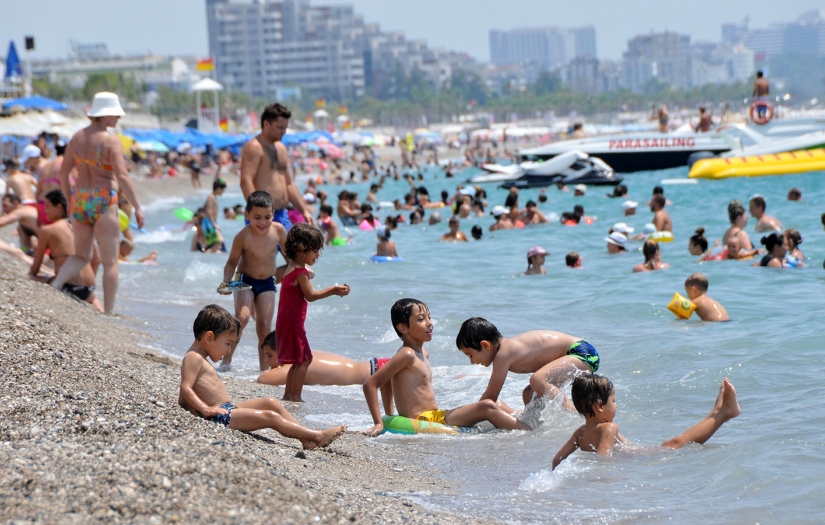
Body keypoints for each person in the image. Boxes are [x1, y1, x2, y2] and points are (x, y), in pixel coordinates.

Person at [179, 305, 346, 449]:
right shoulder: (193, 357)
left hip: (226, 409)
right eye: (228, 344)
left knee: (270, 402)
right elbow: (186, 388)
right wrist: (205, 409)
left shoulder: (198, 358)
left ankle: (305, 439)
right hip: (219, 417)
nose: (228, 351)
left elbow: (184, 398)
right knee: (270, 417)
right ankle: (316, 436)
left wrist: (192, 408)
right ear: (209, 337)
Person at [362, 300, 532, 436]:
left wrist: (391, 415)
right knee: (487, 406)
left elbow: (387, 381)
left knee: (497, 403)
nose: (429, 323)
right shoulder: (407, 354)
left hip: (436, 414)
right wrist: (381, 421)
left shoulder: (423, 353)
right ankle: (529, 433)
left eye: (429, 317)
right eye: (421, 319)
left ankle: (524, 419)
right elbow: (372, 383)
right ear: (403, 328)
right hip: (424, 418)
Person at [51, 92, 145, 315]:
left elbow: (64, 173)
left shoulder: (76, 138)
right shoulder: (111, 140)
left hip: (80, 198)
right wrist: (138, 207)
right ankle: (109, 312)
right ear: (104, 116)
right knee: (110, 261)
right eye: (115, 114)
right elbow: (122, 176)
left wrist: (70, 200)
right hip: (103, 198)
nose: (118, 119)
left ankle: (54, 287)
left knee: (80, 255)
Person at [551, 374, 740, 469]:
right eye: (614, 401)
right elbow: (604, 459)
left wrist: (557, 477)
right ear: (599, 407)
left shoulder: (580, 432)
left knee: (676, 441)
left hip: (637, 453)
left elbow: (557, 459)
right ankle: (722, 414)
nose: (616, 406)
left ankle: (719, 412)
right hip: (644, 456)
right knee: (674, 443)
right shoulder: (609, 427)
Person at [456, 317, 601, 418]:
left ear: (485, 345)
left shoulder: (503, 354)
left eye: (470, 355)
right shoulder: (503, 352)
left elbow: (490, 397)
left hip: (583, 352)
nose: (472, 362)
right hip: (577, 354)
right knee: (529, 394)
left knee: (537, 379)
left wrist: (465, 416)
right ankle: (536, 423)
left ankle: (576, 415)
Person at [277, 223, 350, 402]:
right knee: (305, 359)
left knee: (300, 360)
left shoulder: (291, 267)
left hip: (287, 319)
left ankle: (289, 395)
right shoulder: (300, 272)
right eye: (315, 251)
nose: (317, 255)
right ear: (302, 250)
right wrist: (333, 290)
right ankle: (295, 396)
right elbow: (310, 295)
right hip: (293, 321)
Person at [218, 191, 287, 371]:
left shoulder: (278, 230)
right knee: (242, 317)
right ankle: (226, 361)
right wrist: (226, 282)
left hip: (267, 282)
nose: (263, 222)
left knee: (264, 327)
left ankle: (265, 371)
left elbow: (290, 259)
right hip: (243, 280)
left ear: (273, 213)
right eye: (257, 217)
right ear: (247, 215)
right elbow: (231, 262)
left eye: (267, 217)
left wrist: (303, 270)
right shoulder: (243, 236)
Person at [257, 333, 394, 414]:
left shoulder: (296, 365)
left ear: (282, 351)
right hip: (379, 366)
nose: (268, 362)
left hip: (380, 373)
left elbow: (264, 379)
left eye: (269, 355)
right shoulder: (306, 356)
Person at [240, 103, 311, 233]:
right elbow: (246, 181)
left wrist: (304, 210)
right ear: (266, 124)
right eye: (280, 128)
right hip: (263, 217)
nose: (283, 132)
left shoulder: (281, 148)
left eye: (285, 128)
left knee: (297, 252)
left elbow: (289, 184)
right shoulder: (254, 147)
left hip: (282, 214)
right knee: (266, 254)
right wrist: (259, 215)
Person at [28, 190, 103, 313]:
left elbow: (35, 267)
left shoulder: (48, 230)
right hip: (88, 288)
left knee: (31, 278)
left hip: (67, 286)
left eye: (47, 206)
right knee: (93, 300)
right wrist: (87, 282)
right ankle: (100, 308)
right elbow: (97, 259)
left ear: (59, 207)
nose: (44, 210)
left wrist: (33, 274)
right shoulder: (82, 227)